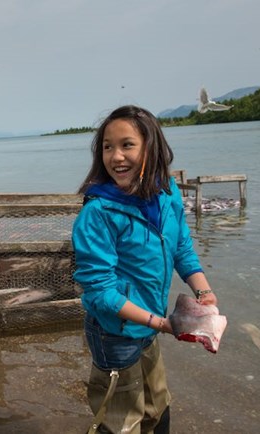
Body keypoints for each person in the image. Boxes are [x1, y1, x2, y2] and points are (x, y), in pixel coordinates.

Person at [71, 105, 218, 434]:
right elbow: (101, 291)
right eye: (108, 147)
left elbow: (181, 246)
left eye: (127, 145)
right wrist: (162, 323)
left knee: (157, 404)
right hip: (114, 331)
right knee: (121, 420)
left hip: (150, 323)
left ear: (150, 147)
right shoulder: (98, 213)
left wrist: (204, 292)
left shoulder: (167, 193)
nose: (116, 156)